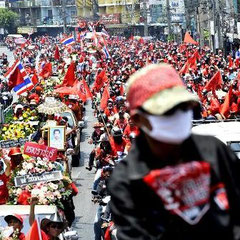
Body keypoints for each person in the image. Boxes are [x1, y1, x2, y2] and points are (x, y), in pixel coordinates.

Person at [108, 63, 240, 240]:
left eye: (184, 107)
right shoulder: (127, 179)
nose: (178, 115)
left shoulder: (214, 150)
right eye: (167, 111)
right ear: (138, 118)